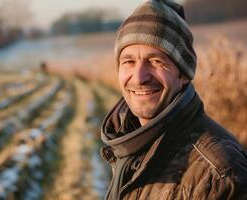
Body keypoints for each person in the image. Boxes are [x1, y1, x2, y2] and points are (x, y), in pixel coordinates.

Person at [99, 0, 247, 199]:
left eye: (156, 61)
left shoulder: (219, 174)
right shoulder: (128, 143)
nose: (139, 77)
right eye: (129, 61)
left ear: (184, 74)